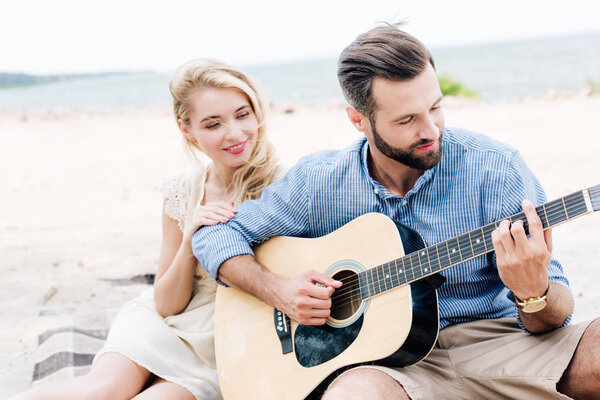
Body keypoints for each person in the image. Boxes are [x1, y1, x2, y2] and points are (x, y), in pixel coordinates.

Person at [192, 25, 599, 399]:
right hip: (388, 367)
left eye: (435, 107)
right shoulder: (321, 181)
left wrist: (533, 294)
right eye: (407, 119)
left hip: (501, 343)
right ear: (359, 119)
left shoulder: (496, 168)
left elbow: (554, 318)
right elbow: (214, 235)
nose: (431, 129)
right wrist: (278, 291)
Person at [13, 60, 279, 400]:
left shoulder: (283, 187)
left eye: (243, 115)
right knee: (103, 390)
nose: (235, 133)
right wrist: (189, 242)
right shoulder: (181, 192)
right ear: (188, 131)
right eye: (213, 124)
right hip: (160, 325)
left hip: (222, 342)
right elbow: (166, 305)